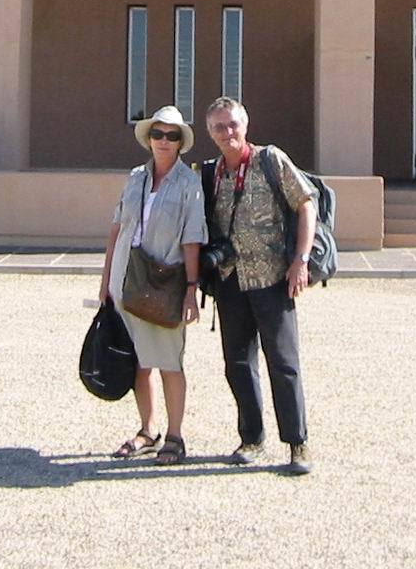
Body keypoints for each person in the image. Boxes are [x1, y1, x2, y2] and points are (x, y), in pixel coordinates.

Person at [201, 95, 317, 476]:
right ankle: (251, 437)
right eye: (219, 127)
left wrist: (301, 260)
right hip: (230, 280)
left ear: (245, 125)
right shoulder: (210, 173)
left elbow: (306, 203)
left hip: (272, 278)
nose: (228, 132)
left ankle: (297, 443)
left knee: (283, 362)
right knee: (237, 363)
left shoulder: (270, 160)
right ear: (210, 133)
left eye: (233, 124)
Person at [98, 105, 207, 466]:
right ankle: (148, 430)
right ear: (149, 138)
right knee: (137, 362)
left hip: (163, 284)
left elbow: (192, 239)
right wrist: (105, 281)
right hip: (125, 279)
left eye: (171, 135)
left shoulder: (189, 183)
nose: (163, 141)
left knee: (168, 360)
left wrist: (191, 289)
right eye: (158, 134)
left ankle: (175, 435)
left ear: (180, 142)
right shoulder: (135, 178)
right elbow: (117, 228)